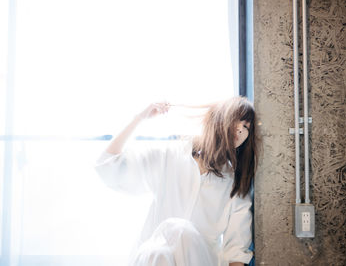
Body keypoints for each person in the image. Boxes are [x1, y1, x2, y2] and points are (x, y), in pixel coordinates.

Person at [95, 96, 259, 266]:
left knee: (180, 230)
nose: (241, 129)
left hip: (199, 260)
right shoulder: (170, 156)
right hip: (153, 259)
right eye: (237, 120)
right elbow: (108, 166)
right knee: (159, 247)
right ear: (218, 119)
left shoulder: (235, 183)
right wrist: (139, 118)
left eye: (247, 126)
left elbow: (236, 251)